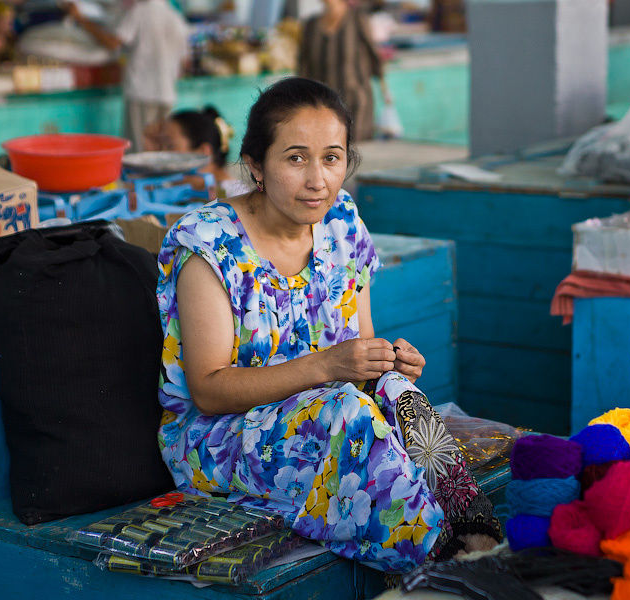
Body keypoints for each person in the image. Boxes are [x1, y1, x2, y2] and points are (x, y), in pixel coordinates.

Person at [155, 77, 502, 572]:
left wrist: (386, 362)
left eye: (332, 158)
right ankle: (444, 564)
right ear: (255, 164)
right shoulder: (209, 244)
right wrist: (330, 366)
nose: (318, 179)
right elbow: (209, 391)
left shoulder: (342, 223)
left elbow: (358, 349)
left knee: (396, 392)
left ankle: (476, 533)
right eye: (295, 158)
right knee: (344, 409)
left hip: (325, 413)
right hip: (220, 438)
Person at [62, 0, 189, 152]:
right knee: (160, 151)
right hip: (167, 94)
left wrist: (80, 18)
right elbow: (184, 62)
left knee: (139, 151)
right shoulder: (175, 17)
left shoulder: (141, 11)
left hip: (142, 92)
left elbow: (113, 43)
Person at [298, 0, 391, 141]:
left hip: (356, 103)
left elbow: (374, 57)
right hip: (322, 106)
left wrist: (385, 91)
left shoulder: (357, 19)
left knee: (356, 152)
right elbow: (303, 66)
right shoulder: (310, 25)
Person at [146, 106, 252, 199]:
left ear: (202, 152)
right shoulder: (176, 190)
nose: (163, 154)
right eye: (160, 146)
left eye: (170, 146)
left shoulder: (235, 196)